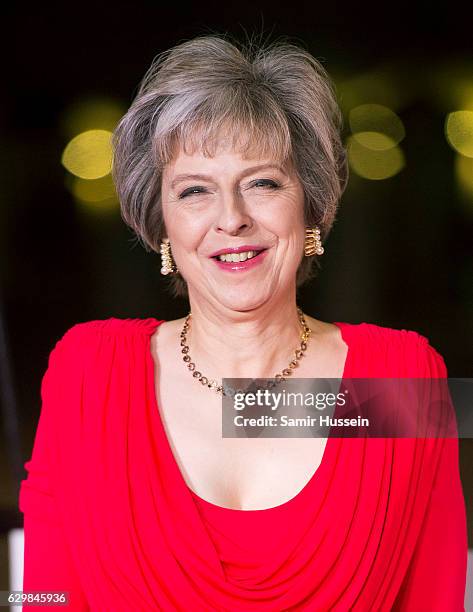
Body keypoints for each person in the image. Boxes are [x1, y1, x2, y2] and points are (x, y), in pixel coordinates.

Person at [19, 33, 468, 610]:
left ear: (311, 204)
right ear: (162, 227)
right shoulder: (88, 373)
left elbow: (433, 598)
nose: (231, 218)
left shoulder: (399, 381)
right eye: (195, 191)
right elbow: (44, 596)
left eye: (262, 182)